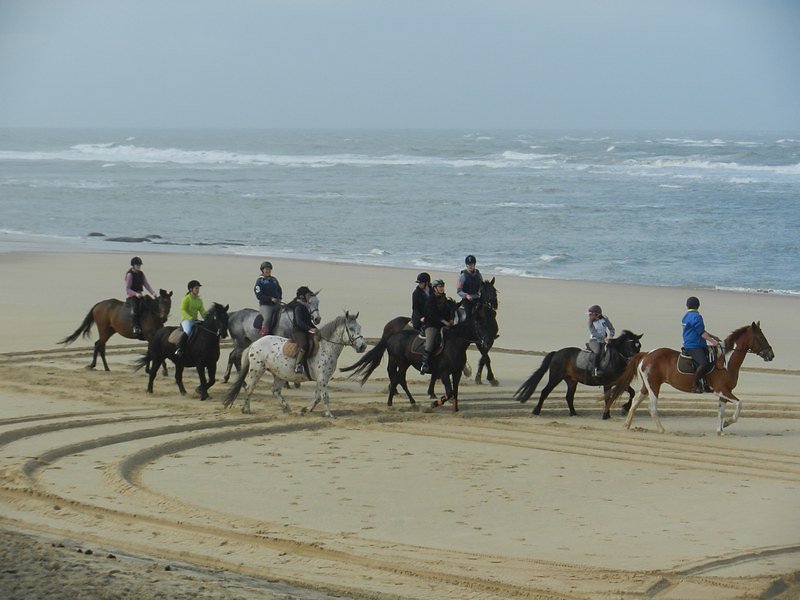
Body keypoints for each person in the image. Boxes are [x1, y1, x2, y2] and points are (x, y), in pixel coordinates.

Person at [682, 296, 722, 393]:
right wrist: (713, 342)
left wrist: (713, 336)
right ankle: (694, 385)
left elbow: (699, 330)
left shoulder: (686, 316)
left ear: (687, 306)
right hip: (694, 345)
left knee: (710, 359)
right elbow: (701, 333)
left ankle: (705, 383)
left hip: (692, 344)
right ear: (698, 305)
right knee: (704, 363)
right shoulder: (696, 317)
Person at [420, 279, 456, 375]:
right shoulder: (430, 299)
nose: (442, 288)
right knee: (430, 343)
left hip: (444, 325)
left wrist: (451, 319)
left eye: (442, 286)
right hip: (432, 324)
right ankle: (424, 364)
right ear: (435, 288)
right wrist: (443, 321)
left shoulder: (445, 298)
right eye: (440, 287)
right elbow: (432, 314)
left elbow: (449, 311)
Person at [287, 286, 319, 374]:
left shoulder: (306, 306)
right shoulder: (298, 307)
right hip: (298, 331)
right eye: (308, 295)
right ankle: (298, 365)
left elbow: (308, 321)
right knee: (304, 344)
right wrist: (310, 329)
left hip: (306, 330)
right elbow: (299, 322)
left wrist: (316, 329)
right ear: (302, 296)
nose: (309, 297)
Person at [125, 256, 156, 335]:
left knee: (148, 306)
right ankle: (135, 326)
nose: (139, 266)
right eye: (137, 265)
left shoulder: (141, 274)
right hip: (132, 296)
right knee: (136, 309)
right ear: (133, 265)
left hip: (140, 295)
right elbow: (127, 289)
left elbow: (146, 284)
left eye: (139, 265)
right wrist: (135, 294)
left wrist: (153, 293)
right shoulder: (130, 275)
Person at [175, 280, 206, 358]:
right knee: (188, 331)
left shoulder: (199, 300)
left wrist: (208, 317)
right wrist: (189, 318)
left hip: (195, 320)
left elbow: (202, 312)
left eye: (198, 288)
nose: (198, 290)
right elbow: (182, 310)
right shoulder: (186, 299)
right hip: (186, 320)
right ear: (191, 289)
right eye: (196, 288)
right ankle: (179, 348)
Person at [254, 261, 282, 336]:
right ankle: (264, 334)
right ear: (262, 270)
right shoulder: (260, 281)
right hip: (266, 305)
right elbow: (259, 296)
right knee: (267, 318)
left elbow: (279, 290)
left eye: (269, 269)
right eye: (266, 269)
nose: (268, 271)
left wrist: (279, 298)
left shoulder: (274, 280)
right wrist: (270, 299)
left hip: (276, 303)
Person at [586, 304, 615, 377]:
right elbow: (593, 332)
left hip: (604, 340)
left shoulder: (605, 319)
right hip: (594, 340)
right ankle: (596, 369)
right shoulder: (590, 322)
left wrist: (611, 336)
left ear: (596, 314)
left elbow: (611, 328)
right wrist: (603, 338)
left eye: (590, 314)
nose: (589, 316)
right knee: (597, 350)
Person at [456, 255, 483, 319]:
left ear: (474, 264)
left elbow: (481, 286)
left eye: (472, 264)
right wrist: (466, 295)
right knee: (468, 315)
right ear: (466, 265)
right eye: (468, 264)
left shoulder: (478, 275)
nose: (470, 266)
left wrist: (480, 292)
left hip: (477, 298)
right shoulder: (463, 276)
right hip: (467, 300)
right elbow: (459, 290)